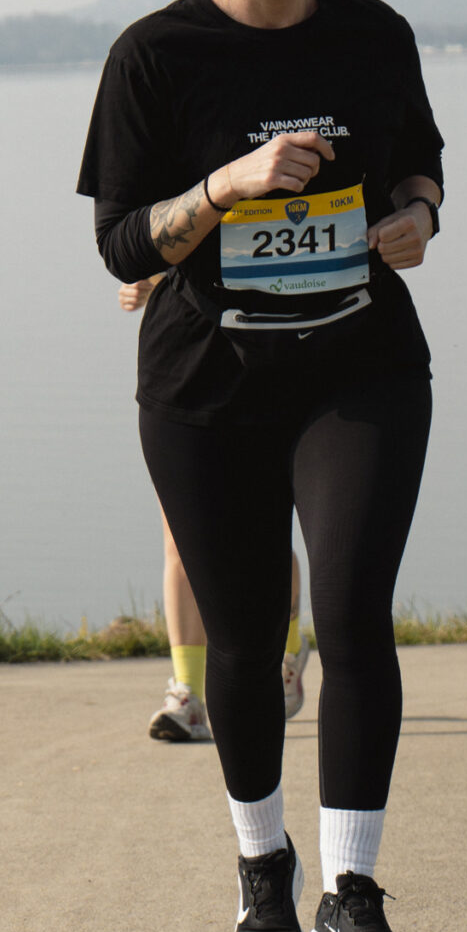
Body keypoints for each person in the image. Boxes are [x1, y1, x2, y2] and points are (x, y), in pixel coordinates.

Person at [78, 0, 443, 932]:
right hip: (208, 386)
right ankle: (261, 867)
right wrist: (226, 185)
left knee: (350, 614)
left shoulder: (373, 35)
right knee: (241, 643)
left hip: (359, 366)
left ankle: (353, 896)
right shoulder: (156, 55)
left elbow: (421, 160)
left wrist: (417, 214)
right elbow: (122, 242)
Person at [121, 276, 312, 744]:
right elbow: (136, 243)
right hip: (185, 372)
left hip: (271, 365)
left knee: (263, 538)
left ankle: (288, 652)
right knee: (182, 545)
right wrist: (149, 277)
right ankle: (187, 694)